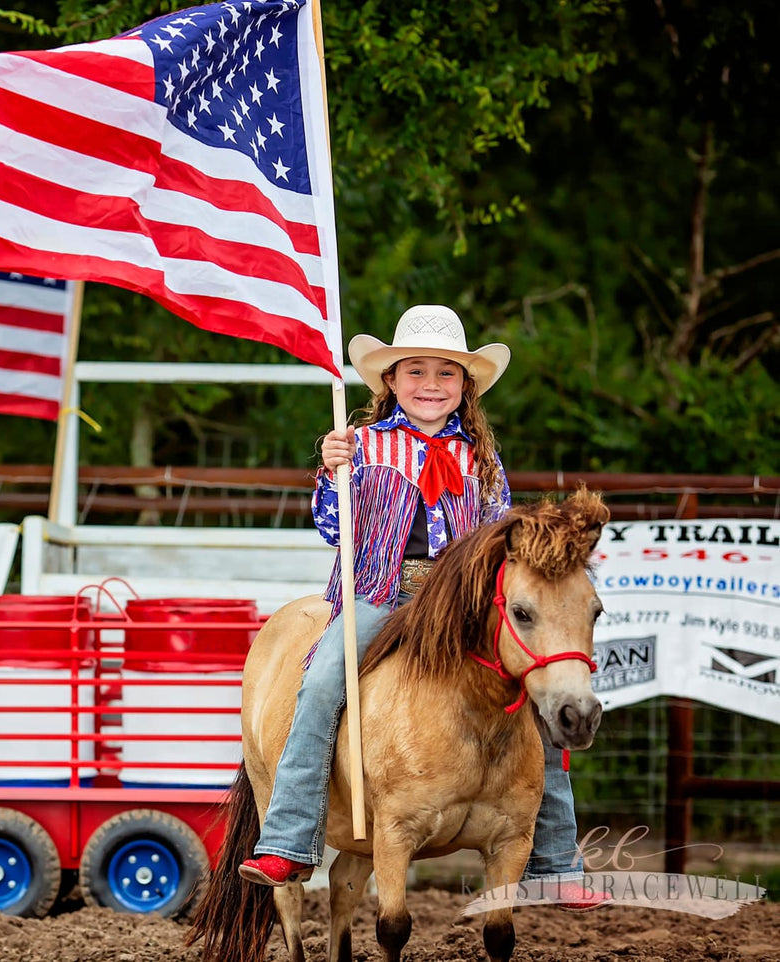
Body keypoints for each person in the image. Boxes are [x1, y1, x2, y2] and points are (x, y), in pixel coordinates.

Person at [237, 305, 609, 912]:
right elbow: (334, 529)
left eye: (446, 374)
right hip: (380, 595)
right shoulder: (363, 446)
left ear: (465, 387)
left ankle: (554, 859)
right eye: (415, 371)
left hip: (462, 606)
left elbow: (502, 541)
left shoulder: (482, 462)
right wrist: (333, 475)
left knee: (540, 692)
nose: (430, 385)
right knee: (324, 677)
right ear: (389, 381)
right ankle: (288, 837)